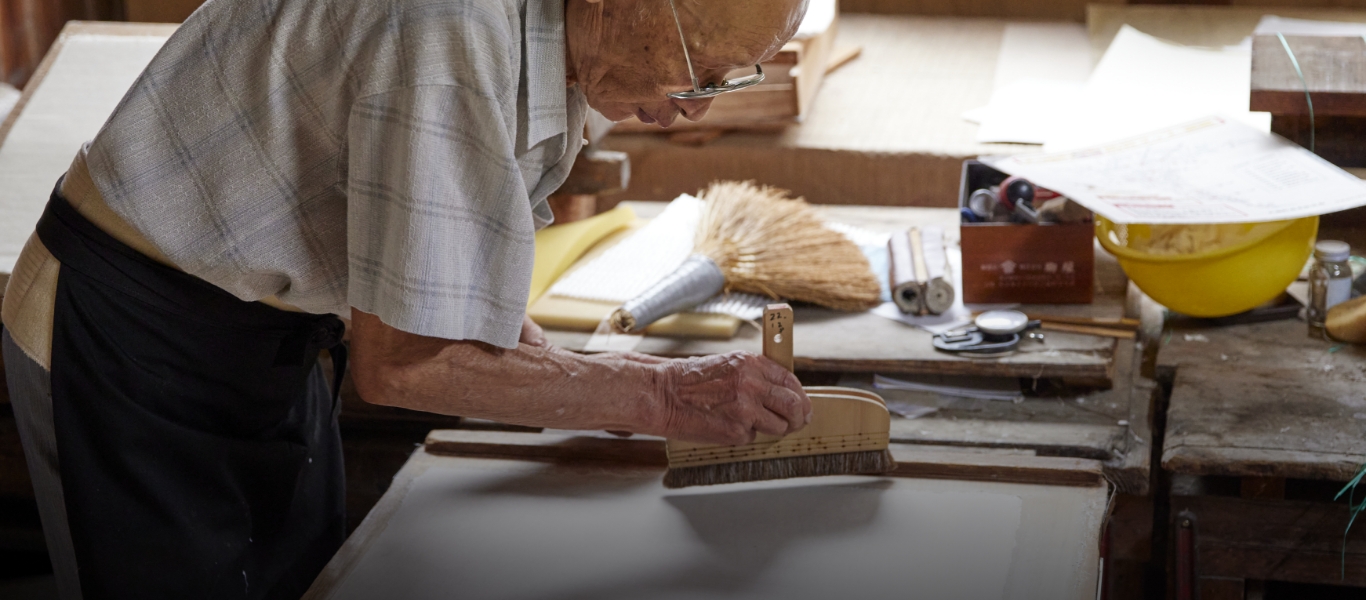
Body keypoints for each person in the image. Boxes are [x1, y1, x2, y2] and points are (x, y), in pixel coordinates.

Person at [0, 0, 813, 597]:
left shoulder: (565, 38)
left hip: (265, 323)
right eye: (698, 70)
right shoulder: (448, 31)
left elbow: (444, 296)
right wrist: (664, 394)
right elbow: (407, 366)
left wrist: (571, 373)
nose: (691, 109)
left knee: (306, 579)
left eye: (726, 81)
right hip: (128, 330)